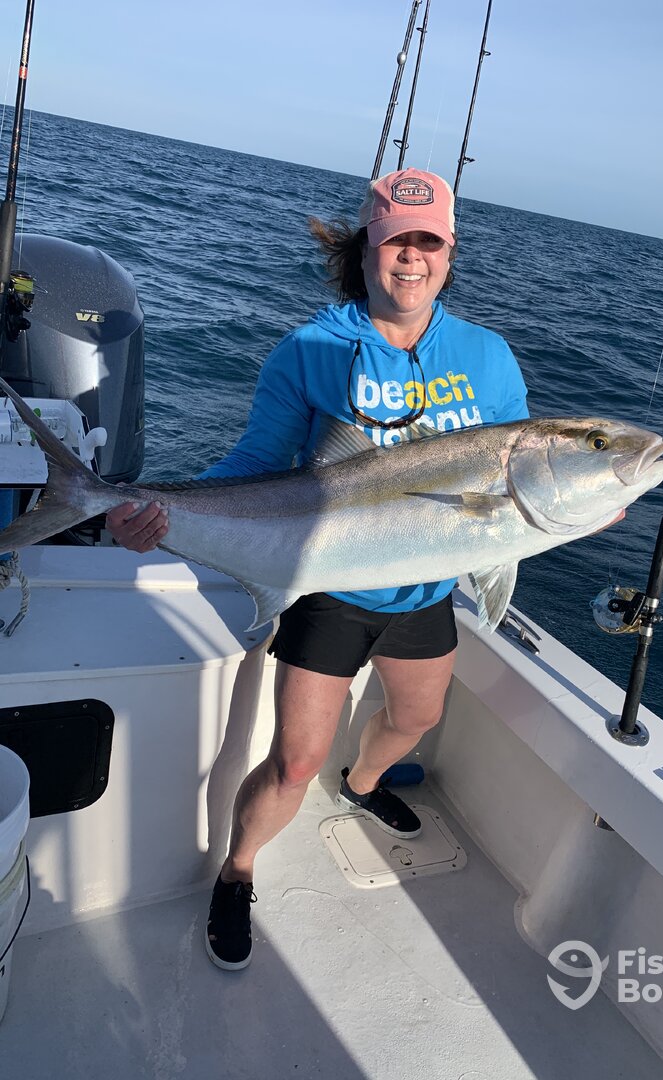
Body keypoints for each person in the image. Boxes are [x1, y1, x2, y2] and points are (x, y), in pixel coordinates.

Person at [106, 169, 529, 971]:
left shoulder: (489, 356)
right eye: (396, 241)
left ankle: (364, 783)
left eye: (428, 242)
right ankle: (237, 870)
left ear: (449, 254)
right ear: (366, 249)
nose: (411, 258)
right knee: (296, 761)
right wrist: (158, 514)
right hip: (330, 586)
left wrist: (582, 502)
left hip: (427, 591)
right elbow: (257, 464)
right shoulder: (312, 350)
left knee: (415, 720)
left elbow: (514, 474)